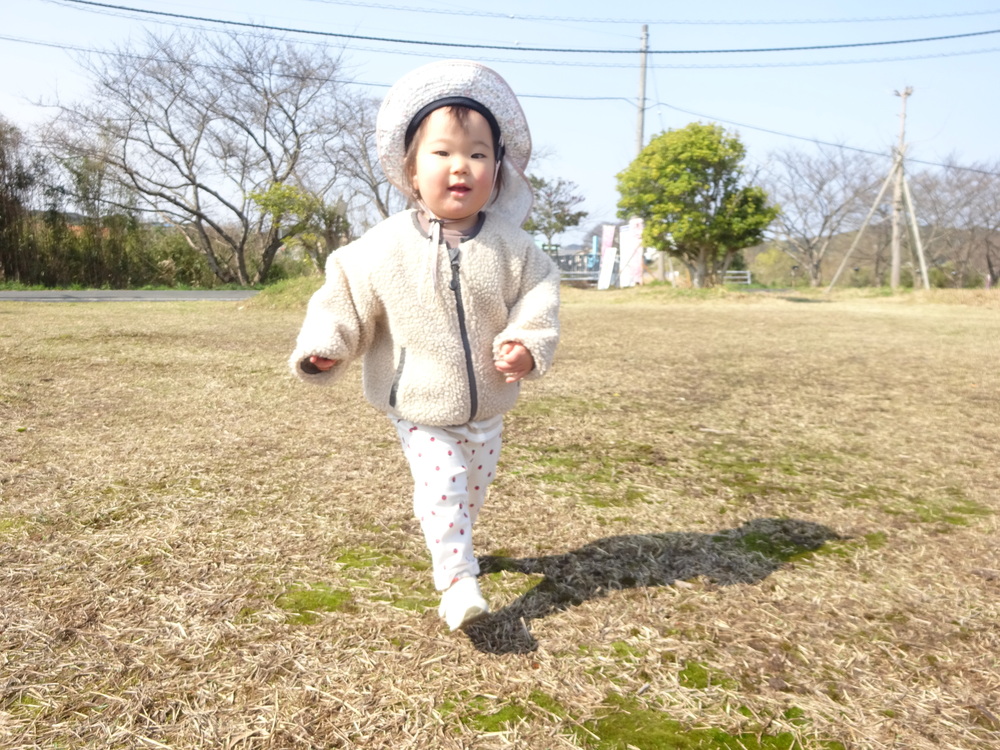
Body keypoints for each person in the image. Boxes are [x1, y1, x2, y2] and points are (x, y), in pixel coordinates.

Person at [289, 60, 560, 632]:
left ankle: (456, 544)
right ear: (411, 171)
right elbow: (345, 295)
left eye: (479, 153)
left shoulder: (516, 248)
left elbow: (538, 298)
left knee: (471, 489)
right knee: (444, 484)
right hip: (418, 404)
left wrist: (526, 344)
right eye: (442, 153)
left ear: (498, 169)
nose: (461, 165)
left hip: (488, 407)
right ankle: (457, 581)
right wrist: (326, 344)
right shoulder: (384, 246)